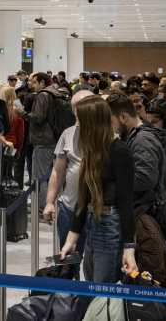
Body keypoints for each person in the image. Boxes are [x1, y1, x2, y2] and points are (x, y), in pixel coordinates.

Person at [108, 94, 166, 320]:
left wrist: (111, 181)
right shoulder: (137, 137)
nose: (110, 126)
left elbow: (144, 178)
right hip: (144, 216)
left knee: (150, 285)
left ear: (123, 117)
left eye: (112, 120)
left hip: (145, 219)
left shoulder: (142, 141)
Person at [59, 95, 137, 283]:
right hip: (93, 222)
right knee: (92, 284)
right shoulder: (93, 150)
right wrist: (71, 239)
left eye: (81, 121)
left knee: (100, 288)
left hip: (110, 225)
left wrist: (129, 249)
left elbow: (126, 202)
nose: (78, 126)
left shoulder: (119, 151)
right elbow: (84, 197)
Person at [43, 89, 93, 258]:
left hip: (96, 211)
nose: (78, 112)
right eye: (75, 108)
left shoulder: (107, 135)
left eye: (82, 107)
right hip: (69, 207)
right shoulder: (68, 133)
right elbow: (57, 171)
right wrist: (49, 202)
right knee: (68, 261)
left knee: (94, 264)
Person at [27, 72, 64, 210]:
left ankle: (41, 206)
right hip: (53, 138)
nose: (32, 85)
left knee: (40, 176)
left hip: (43, 140)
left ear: (42, 82)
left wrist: (22, 113)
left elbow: (38, 117)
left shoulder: (43, 95)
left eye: (34, 82)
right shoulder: (55, 93)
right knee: (51, 175)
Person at [0, 86, 25, 183]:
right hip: (12, 144)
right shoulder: (18, 111)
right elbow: (20, 134)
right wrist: (19, 149)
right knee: (8, 171)